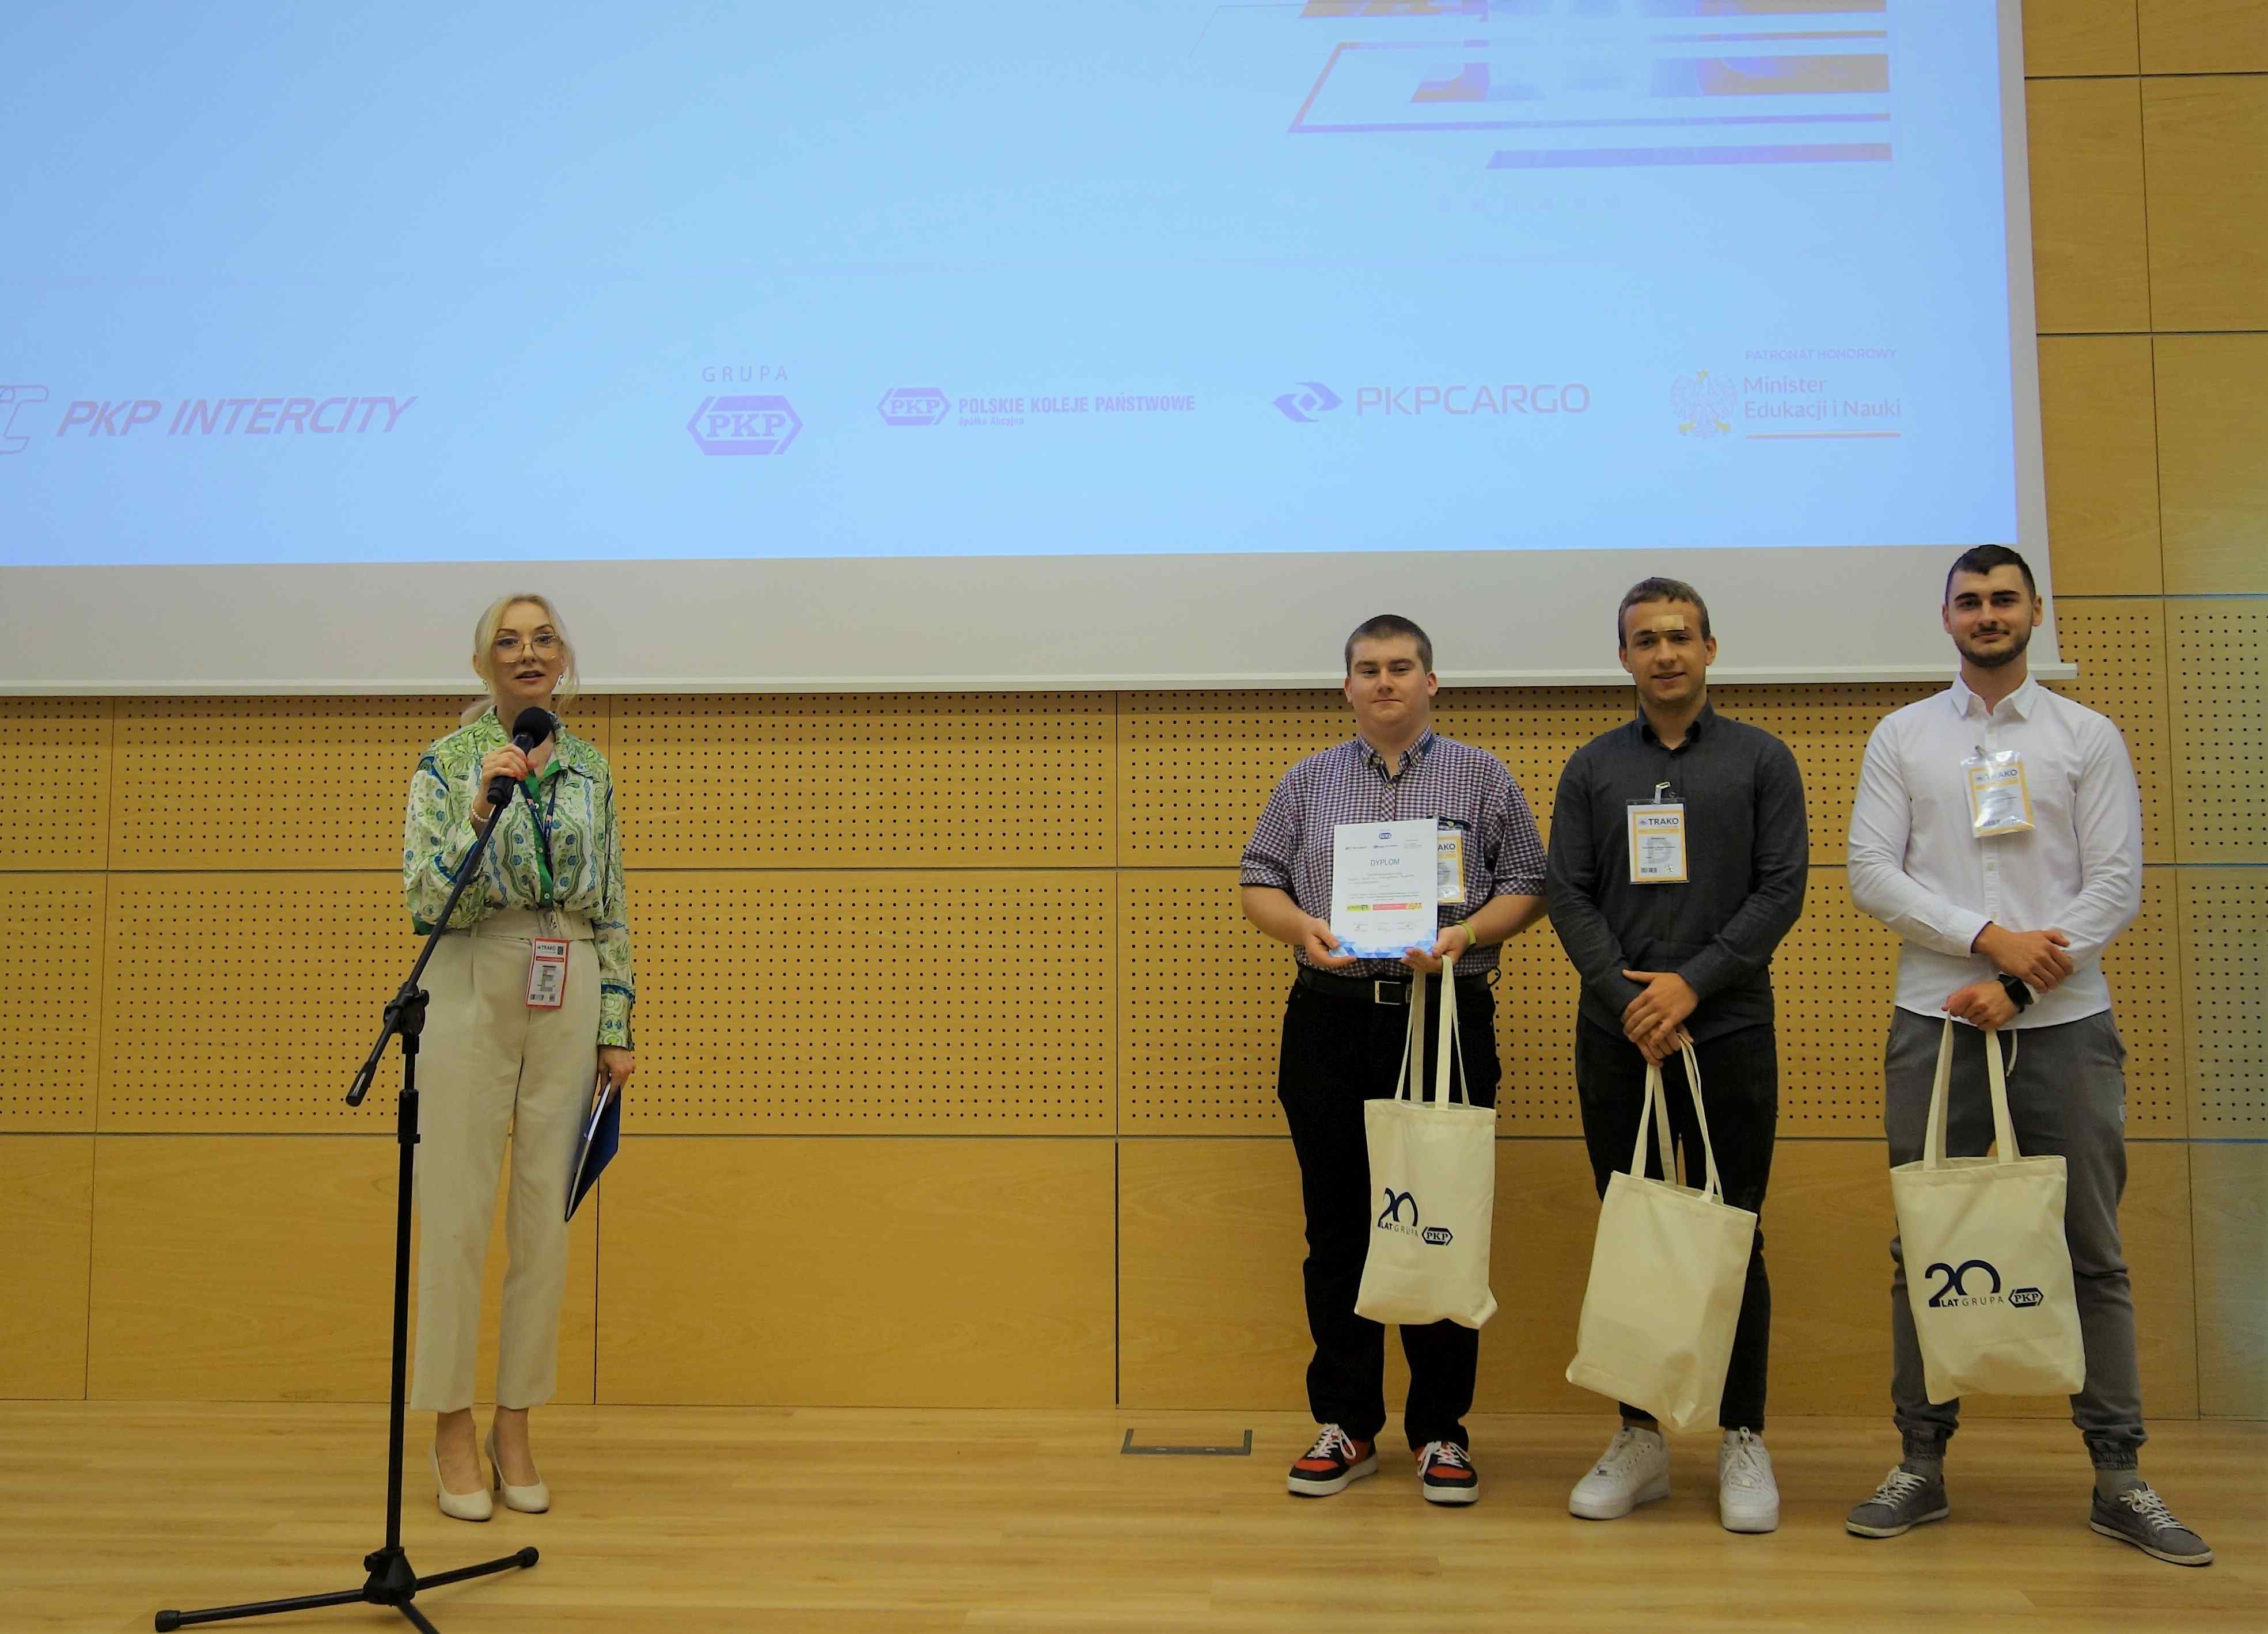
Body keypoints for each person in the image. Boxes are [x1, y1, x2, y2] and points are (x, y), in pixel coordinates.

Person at [1844, 545, 2211, 1565]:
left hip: (2064, 1023)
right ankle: (1919, 1462)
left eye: (2003, 598)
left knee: (2090, 1247)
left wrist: (2018, 980)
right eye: (1969, 601)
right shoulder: (1902, 735)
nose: (1987, 614)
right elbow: (1869, 871)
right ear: (1946, 618)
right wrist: (1984, 938)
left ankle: (2119, 1475)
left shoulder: (2084, 734)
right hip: (1935, 1020)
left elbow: (2115, 884)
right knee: (1924, 1241)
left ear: (2035, 611)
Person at [1240, 614, 1547, 1506]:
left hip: (1441, 1016)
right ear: (1346, 686)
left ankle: (1440, 1430)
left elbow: (1528, 883)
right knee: (1337, 1228)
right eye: (1368, 668)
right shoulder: (1306, 781)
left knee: (1438, 1220)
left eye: (1401, 666)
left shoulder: (1481, 775)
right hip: (1329, 1019)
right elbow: (1258, 878)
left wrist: (1464, 936)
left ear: (1430, 682)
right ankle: (1346, 1422)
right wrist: (1301, 927)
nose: (1385, 681)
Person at [1545, 576, 1807, 1534]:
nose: (1664, 653)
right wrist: (1630, 1000)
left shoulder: (1761, 759)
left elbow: (1781, 889)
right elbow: (1567, 893)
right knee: (1635, 1233)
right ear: (1623, 657)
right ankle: (1640, 1436)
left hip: (1725, 1027)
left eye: (1679, 636)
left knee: (1736, 1229)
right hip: (1618, 1037)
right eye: (1646, 639)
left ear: (1709, 649)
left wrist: (1688, 985)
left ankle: (1742, 1433)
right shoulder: (1591, 768)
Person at [401, 592, 636, 1522]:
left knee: (545, 1220)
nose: (527, 653)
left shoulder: (590, 767)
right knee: (457, 1213)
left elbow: (611, 899)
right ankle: (450, 1425)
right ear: (482, 662)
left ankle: (515, 1421)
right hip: (473, 971)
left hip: (566, 975)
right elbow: (425, 899)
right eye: (508, 640)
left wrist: (615, 1019)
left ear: (562, 659)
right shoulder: (447, 761)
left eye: (543, 639)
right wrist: (477, 811)